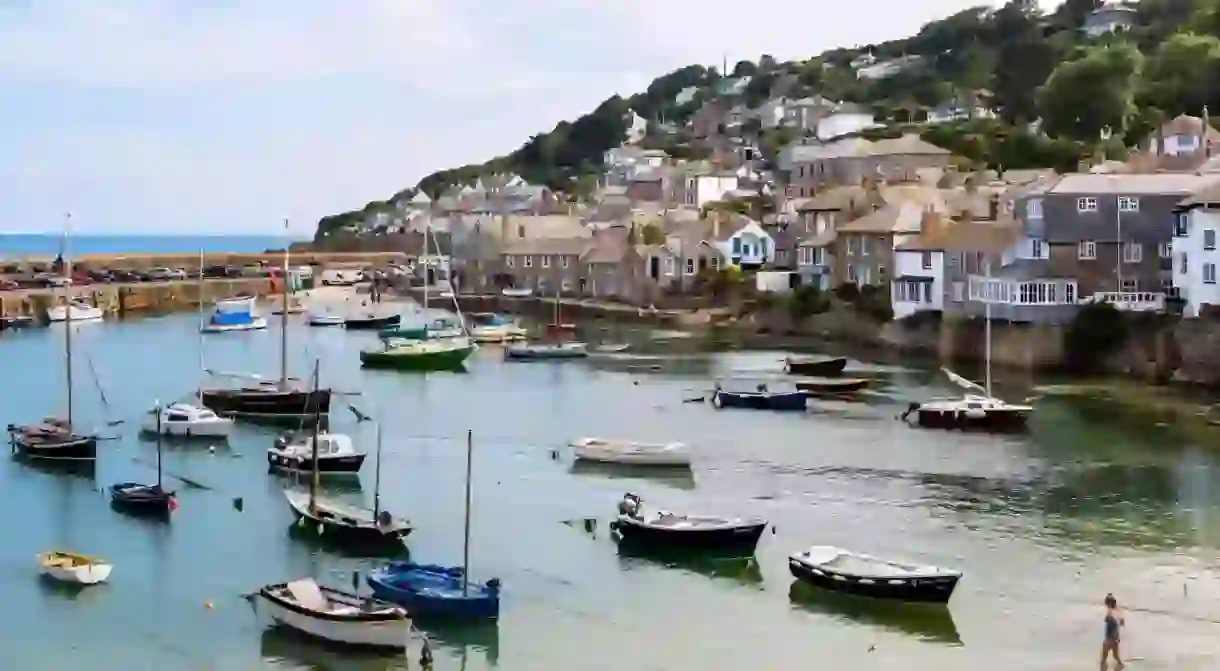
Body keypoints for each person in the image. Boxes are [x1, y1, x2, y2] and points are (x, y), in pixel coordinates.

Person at [1100, 593, 1125, 669]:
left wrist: (1109, 638)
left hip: (1110, 636)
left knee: (1105, 654)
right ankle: (1120, 665)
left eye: (1107, 603)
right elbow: (1122, 623)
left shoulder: (1110, 612)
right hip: (1115, 636)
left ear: (1109, 603)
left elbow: (1108, 621)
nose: (1106, 605)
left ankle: (1104, 666)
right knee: (1115, 654)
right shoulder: (1118, 611)